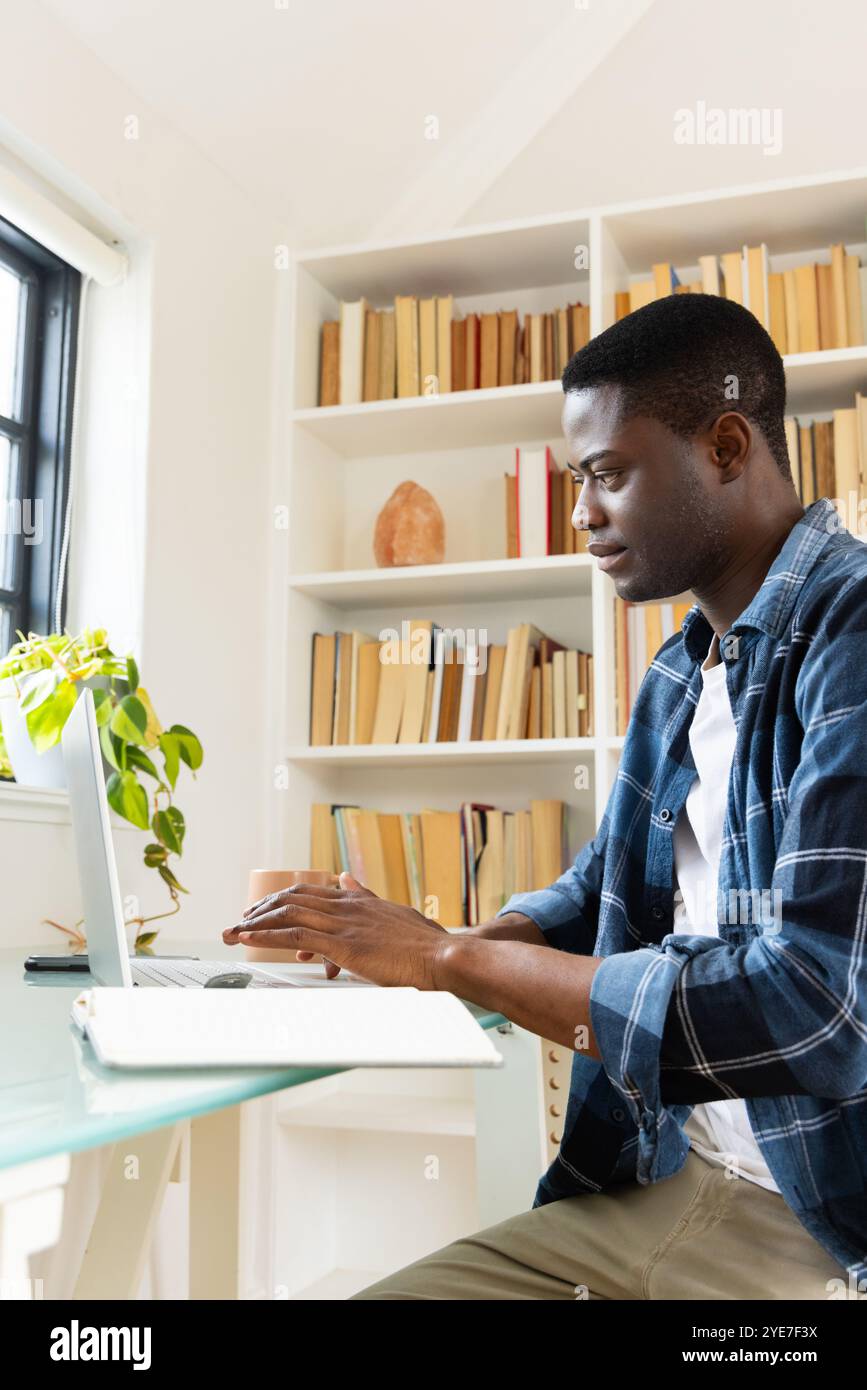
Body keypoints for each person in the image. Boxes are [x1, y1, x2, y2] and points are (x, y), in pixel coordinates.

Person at [225, 293, 867, 1299]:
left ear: (728, 446)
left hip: (821, 1224)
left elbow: (822, 1006)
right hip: (669, 1175)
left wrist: (452, 959)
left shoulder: (854, 634)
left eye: (608, 475)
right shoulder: (680, 672)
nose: (580, 514)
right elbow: (612, 885)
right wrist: (452, 936)